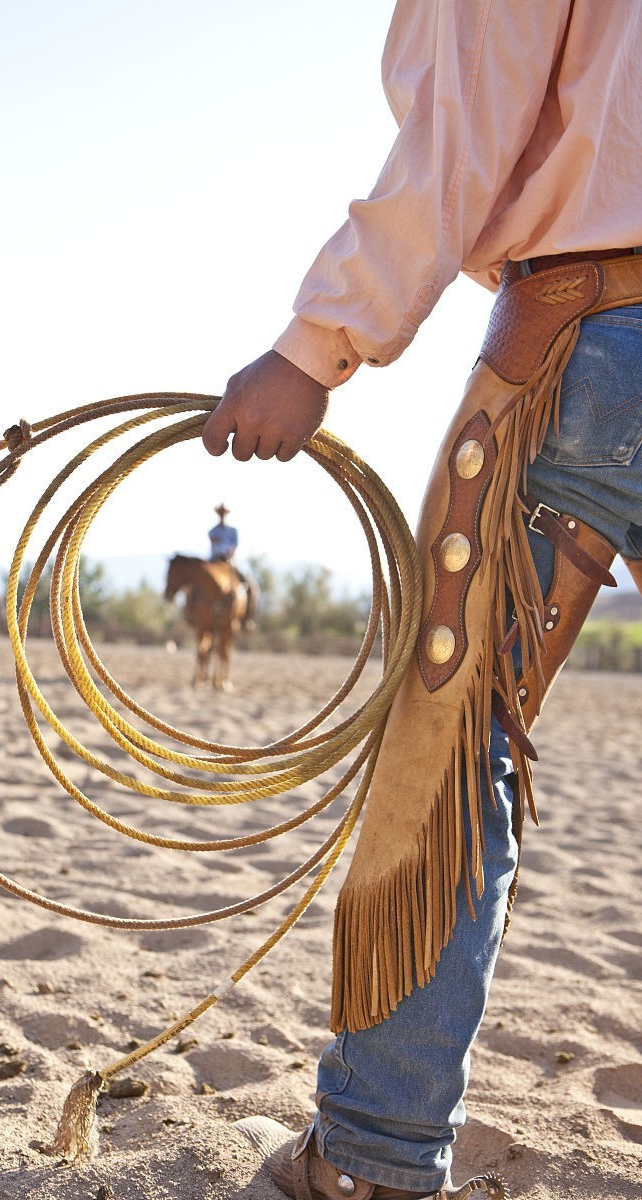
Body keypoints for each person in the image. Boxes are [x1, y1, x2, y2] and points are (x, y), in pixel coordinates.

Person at [202, 3, 642, 1198]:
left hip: (599, 342)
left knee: (451, 752)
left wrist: (313, 346)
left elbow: (464, 124)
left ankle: (375, 1157)